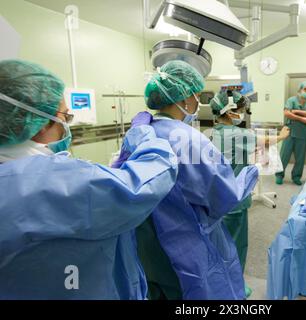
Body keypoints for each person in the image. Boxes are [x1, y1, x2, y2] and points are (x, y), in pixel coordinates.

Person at [0, 60, 178, 299]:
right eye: (65, 116)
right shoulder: (51, 181)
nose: (67, 125)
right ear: (41, 124)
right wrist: (145, 139)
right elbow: (144, 184)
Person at [119, 61, 259, 300]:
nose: (198, 102)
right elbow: (222, 197)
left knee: (155, 289)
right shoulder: (190, 140)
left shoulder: (139, 132)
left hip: (145, 239)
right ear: (184, 99)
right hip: (182, 243)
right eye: (196, 96)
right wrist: (250, 174)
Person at [210, 90, 289, 297]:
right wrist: (281, 136)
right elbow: (262, 140)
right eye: (241, 110)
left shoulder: (214, 132)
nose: (243, 114)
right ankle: (234, 287)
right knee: (235, 245)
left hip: (216, 199)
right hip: (234, 201)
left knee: (218, 243)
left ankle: (218, 282)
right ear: (229, 112)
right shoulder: (237, 134)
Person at [276, 81, 306, 185]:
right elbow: (286, 113)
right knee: (284, 155)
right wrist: (302, 119)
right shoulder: (291, 100)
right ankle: (279, 175)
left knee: (300, 158)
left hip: (302, 133)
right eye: (305, 89)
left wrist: (296, 111)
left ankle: (296, 177)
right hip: (290, 132)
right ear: (299, 90)